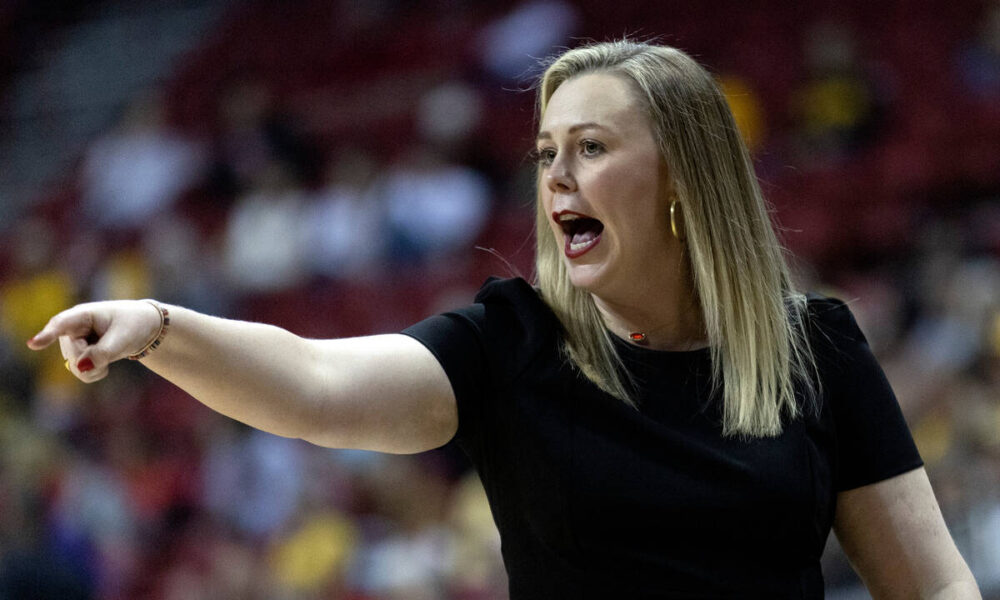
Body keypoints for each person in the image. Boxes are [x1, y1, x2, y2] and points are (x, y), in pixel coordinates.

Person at [27, 40, 980, 598]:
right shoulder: (512, 344)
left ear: (687, 177)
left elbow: (933, 585)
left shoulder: (816, 350)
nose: (556, 175)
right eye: (545, 151)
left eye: (593, 147)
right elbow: (316, 384)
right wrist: (158, 324)